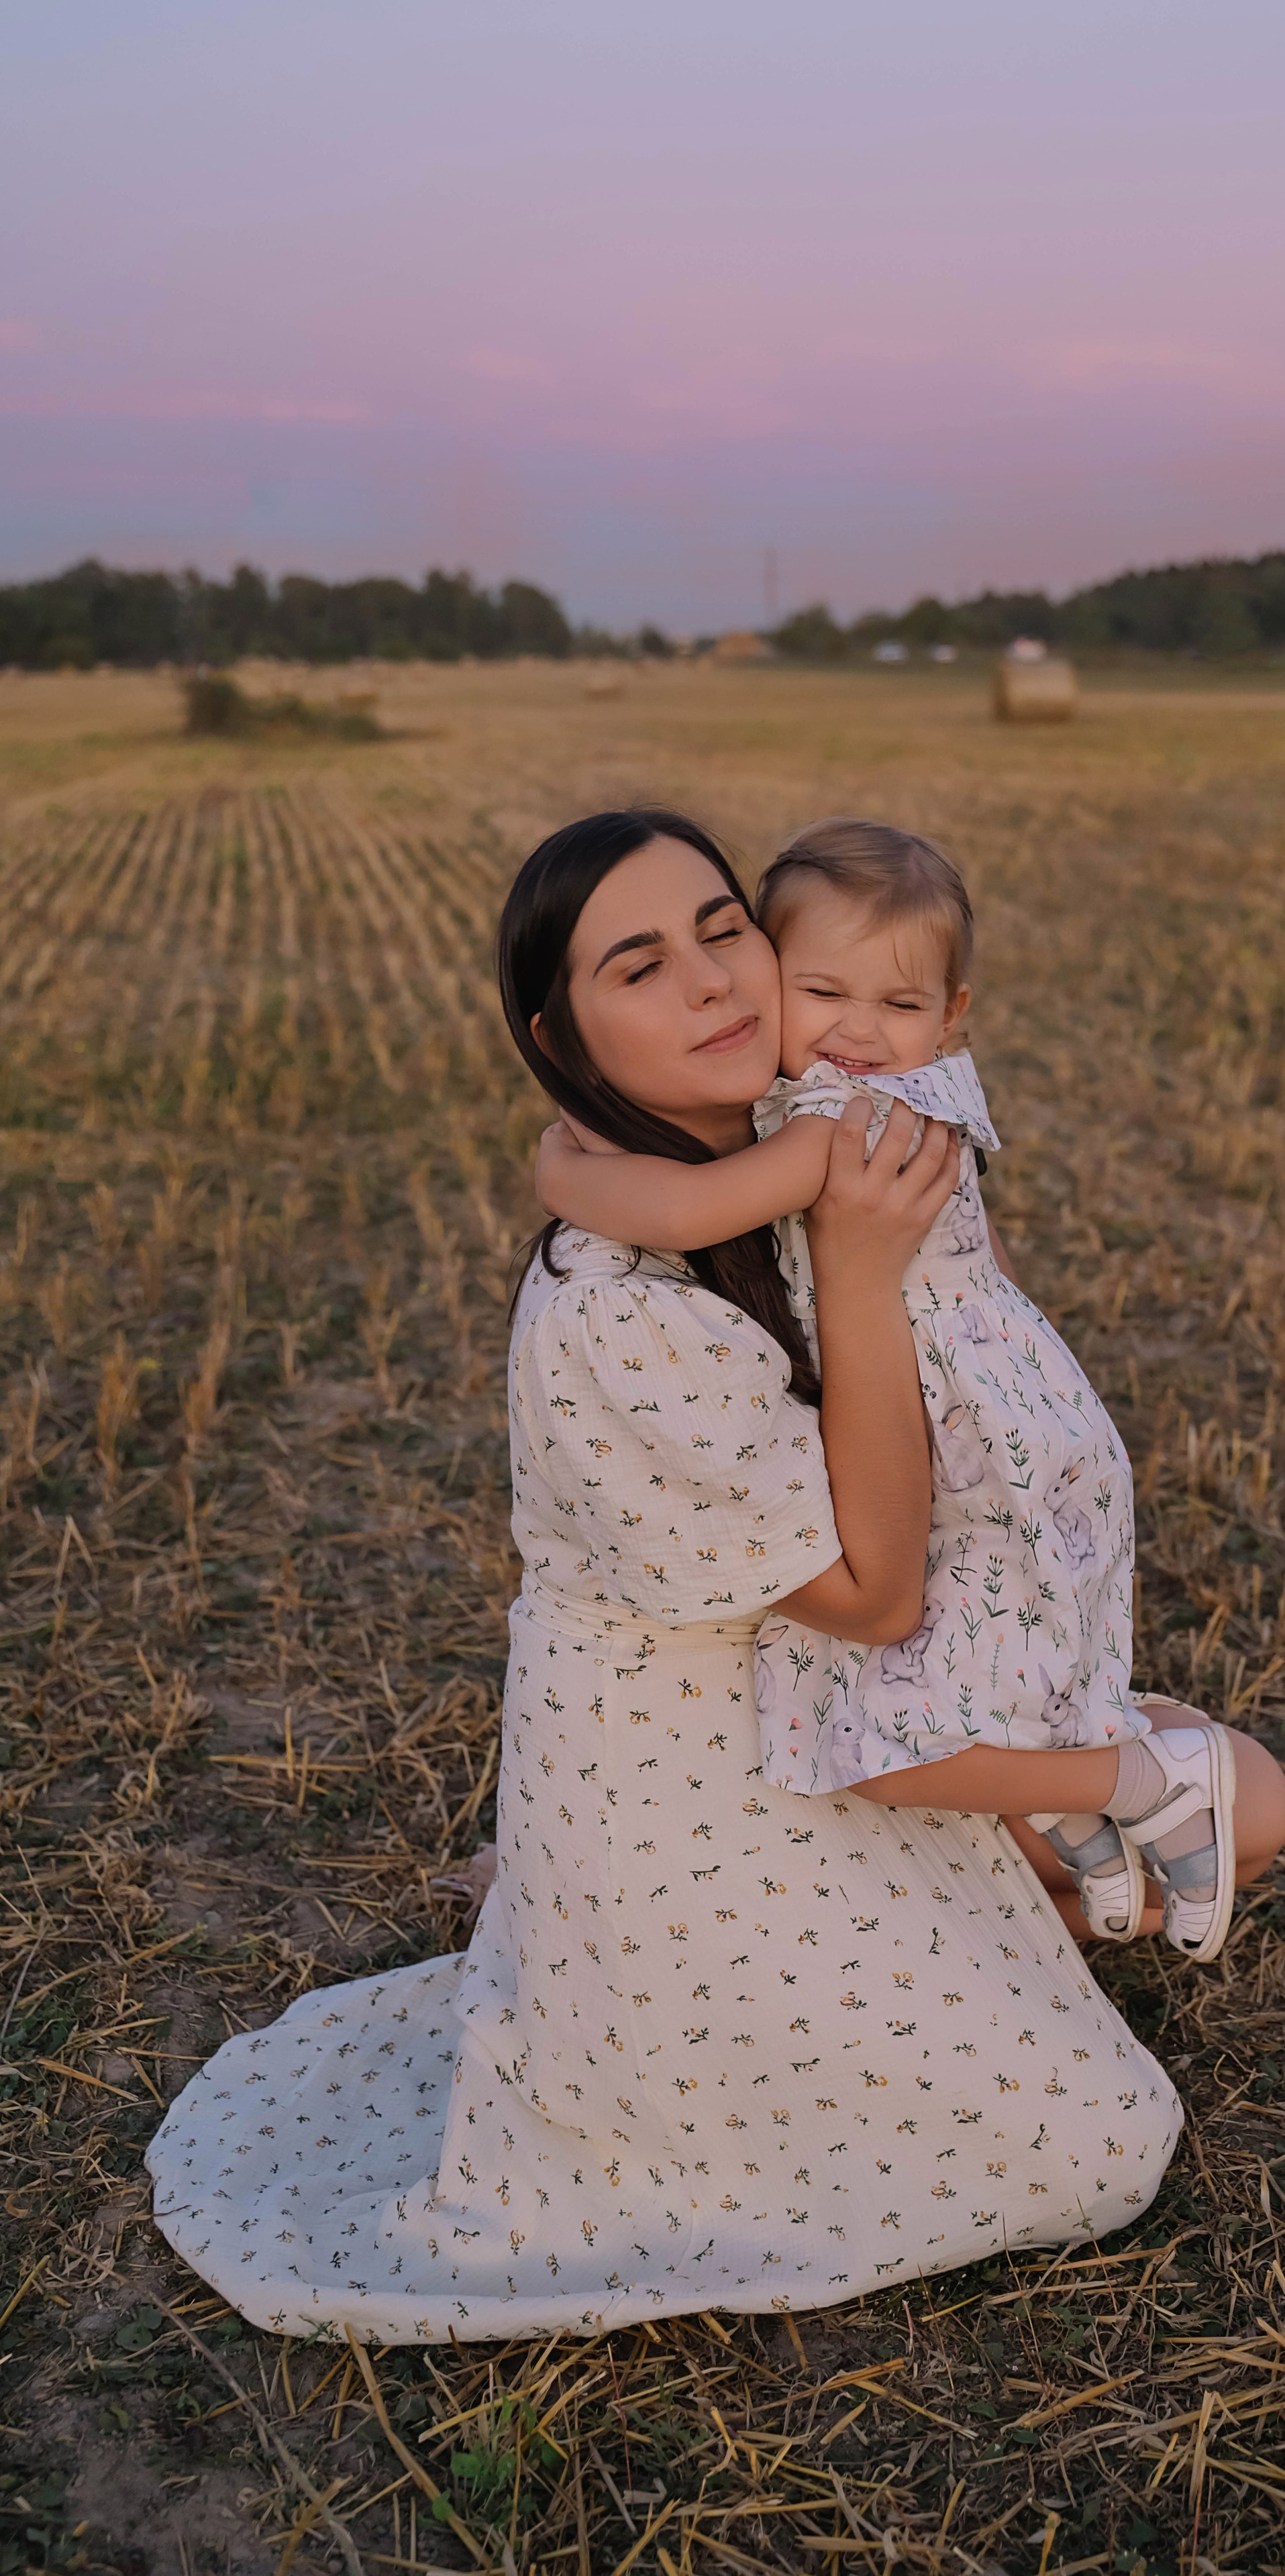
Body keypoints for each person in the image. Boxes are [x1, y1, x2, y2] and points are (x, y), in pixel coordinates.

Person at [144, 807, 1187, 2344]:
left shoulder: (786, 1118)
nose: (709, 982)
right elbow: (879, 1599)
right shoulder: (611, 1314)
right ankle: (592, 1929)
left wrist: (590, 1157)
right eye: (640, 966)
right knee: (1095, 2142)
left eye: (721, 931)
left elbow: (643, 1173)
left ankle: (594, 1916)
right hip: (697, 1782)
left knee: (1190, 1830)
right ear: (558, 1037)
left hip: (813, 1712)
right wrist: (853, 1271)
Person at [531, 818, 1285, 1956]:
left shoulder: (850, 1120)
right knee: (973, 1697)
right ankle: (1084, 1823)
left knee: (933, 1714)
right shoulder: (873, 1113)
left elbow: (687, 1209)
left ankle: (1127, 1787)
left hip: (967, 1437)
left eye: (897, 1004)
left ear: (950, 1016)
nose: (856, 1031)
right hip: (1001, 1425)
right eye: (822, 992)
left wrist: (556, 1161)